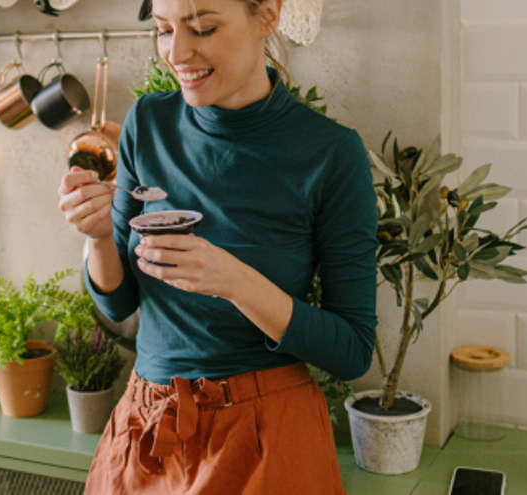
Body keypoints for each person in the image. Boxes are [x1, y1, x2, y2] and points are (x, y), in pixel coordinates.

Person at [57, 0, 378, 492]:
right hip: (147, 430)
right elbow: (119, 303)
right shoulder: (147, 124)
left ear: (266, 15)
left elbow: (353, 351)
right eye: (163, 30)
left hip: (266, 439)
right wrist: (98, 237)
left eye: (202, 28)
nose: (177, 52)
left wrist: (236, 282)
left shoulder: (330, 154)